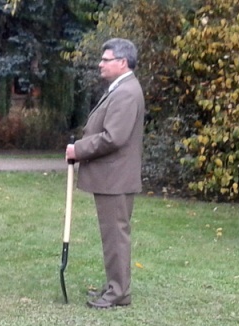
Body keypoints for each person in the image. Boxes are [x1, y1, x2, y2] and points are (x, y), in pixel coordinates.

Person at [66, 38, 145, 309]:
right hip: (114, 177)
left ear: (122, 63)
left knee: (116, 236)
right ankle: (115, 286)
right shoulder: (121, 88)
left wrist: (78, 149)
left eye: (106, 59)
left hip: (116, 178)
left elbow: (114, 137)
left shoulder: (125, 92)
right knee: (113, 235)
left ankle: (118, 292)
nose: (100, 63)